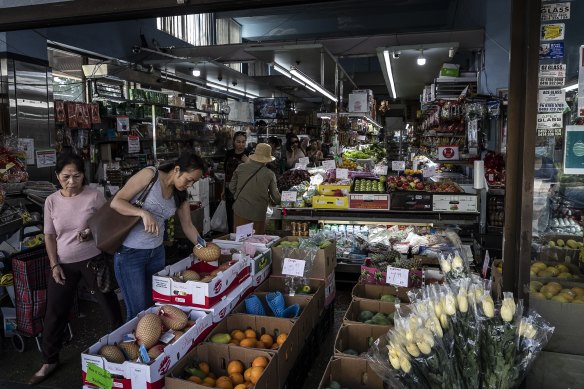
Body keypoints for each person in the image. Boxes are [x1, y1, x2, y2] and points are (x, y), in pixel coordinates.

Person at [29, 152, 123, 385]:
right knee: (54, 313)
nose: (71, 182)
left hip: (93, 261)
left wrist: (91, 231)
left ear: (84, 176)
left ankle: (123, 351)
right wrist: (54, 264)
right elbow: (49, 236)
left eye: (77, 176)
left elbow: (107, 222)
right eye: (66, 177)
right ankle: (49, 360)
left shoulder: (94, 196)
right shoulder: (51, 201)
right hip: (63, 263)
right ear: (57, 176)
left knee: (110, 306)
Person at [110, 152, 206, 321]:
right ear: (177, 169)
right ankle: (131, 345)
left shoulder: (180, 194)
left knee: (155, 307)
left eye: (194, 182)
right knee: (137, 312)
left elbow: (188, 225)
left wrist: (204, 246)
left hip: (156, 253)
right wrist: (142, 213)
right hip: (130, 254)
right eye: (189, 179)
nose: (190, 185)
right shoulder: (150, 175)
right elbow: (117, 202)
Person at [229, 143, 281, 234]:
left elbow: (231, 187)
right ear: (267, 160)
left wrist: (241, 196)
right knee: (256, 242)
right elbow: (275, 196)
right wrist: (282, 202)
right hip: (258, 212)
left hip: (240, 209)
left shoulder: (241, 167)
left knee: (241, 240)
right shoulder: (269, 174)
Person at [223, 131, 249, 232]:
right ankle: (232, 236)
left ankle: (242, 236)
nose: (241, 144)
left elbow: (253, 171)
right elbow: (226, 172)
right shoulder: (229, 153)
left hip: (243, 190)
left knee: (242, 215)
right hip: (229, 189)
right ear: (234, 142)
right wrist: (222, 190)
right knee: (230, 215)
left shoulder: (249, 154)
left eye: (243, 142)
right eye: (238, 142)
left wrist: (248, 162)